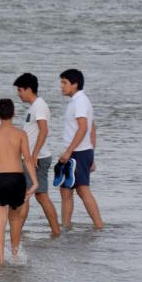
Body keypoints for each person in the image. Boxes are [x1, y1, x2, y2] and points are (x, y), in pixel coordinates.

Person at [0, 99, 39, 265]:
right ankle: (15, 255)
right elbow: (27, 159)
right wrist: (35, 183)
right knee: (15, 220)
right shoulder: (21, 134)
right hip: (16, 178)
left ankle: (0, 260)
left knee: (0, 220)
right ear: (13, 114)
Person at [14, 73, 61, 237]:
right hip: (33, 158)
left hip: (37, 158)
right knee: (33, 195)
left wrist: (33, 156)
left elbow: (44, 130)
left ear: (28, 89)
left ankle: (54, 232)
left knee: (36, 196)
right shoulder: (34, 107)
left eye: (20, 90)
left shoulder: (39, 105)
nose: (18, 93)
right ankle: (19, 232)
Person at [57, 69, 105, 229]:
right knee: (65, 190)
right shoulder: (76, 101)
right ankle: (66, 227)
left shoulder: (80, 101)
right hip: (81, 151)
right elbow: (92, 127)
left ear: (75, 84)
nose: (61, 86)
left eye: (64, 82)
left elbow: (83, 128)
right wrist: (92, 154)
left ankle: (99, 225)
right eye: (61, 82)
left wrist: (69, 151)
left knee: (82, 190)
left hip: (77, 153)